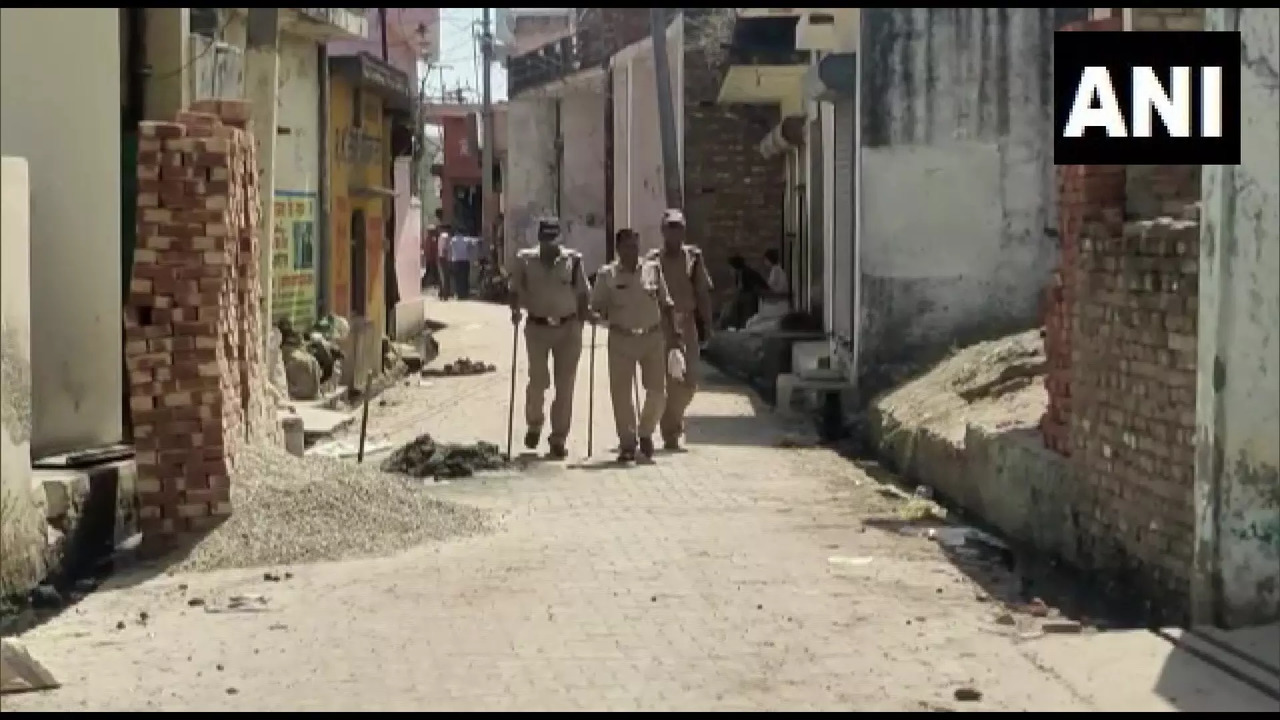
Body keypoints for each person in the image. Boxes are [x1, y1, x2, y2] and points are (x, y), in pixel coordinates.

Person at [589, 228, 682, 462]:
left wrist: (675, 335)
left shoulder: (652, 270)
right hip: (621, 338)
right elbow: (596, 305)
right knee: (621, 394)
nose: (633, 250)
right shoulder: (606, 275)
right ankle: (628, 443)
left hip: (652, 337)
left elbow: (666, 302)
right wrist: (595, 314)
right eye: (628, 246)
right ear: (618, 249)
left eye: (636, 245)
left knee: (658, 391)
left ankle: (646, 431)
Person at [508, 217, 590, 459]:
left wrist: (583, 321)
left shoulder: (573, 261)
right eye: (545, 239)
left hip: (568, 327)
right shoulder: (525, 260)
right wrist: (514, 310)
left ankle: (558, 438)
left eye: (553, 239)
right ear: (540, 238)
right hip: (537, 327)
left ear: (559, 238)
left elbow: (583, 293)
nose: (549, 244)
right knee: (538, 381)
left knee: (565, 386)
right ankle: (534, 424)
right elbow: (514, 289)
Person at [648, 208, 713, 450]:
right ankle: (670, 431)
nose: (675, 232)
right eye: (670, 227)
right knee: (666, 379)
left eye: (679, 227)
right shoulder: (653, 260)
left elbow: (702, 292)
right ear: (663, 230)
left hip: (686, 323)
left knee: (690, 380)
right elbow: (646, 292)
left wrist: (707, 323)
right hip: (661, 325)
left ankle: (671, 421)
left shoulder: (693, 258)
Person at [745, 248, 790, 330]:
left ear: (768, 260)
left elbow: (771, 286)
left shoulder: (775, 270)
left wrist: (762, 288)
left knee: (752, 324)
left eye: (765, 260)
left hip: (777, 303)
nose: (765, 262)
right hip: (777, 301)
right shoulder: (778, 270)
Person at [724, 254, 767, 329]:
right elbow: (739, 287)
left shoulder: (748, 272)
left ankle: (743, 325)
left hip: (750, 296)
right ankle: (737, 324)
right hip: (745, 295)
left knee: (745, 311)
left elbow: (758, 285)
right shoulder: (739, 273)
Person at [448, 229, 474, 299]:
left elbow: (449, 249)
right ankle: (465, 293)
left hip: (456, 261)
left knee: (457, 278)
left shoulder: (452, 240)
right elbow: (472, 246)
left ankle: (459, 293)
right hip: (465, 260)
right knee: (465, 278)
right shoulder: (466, 240)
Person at [437, 224, 453, 300]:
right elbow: (444, 248)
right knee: (445, 277)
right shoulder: (445, 236)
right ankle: (445, 294)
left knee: (443, 276)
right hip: (444, 258)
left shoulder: (441, 236)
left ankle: (442, 293)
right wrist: (446, 257)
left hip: (442, 257)